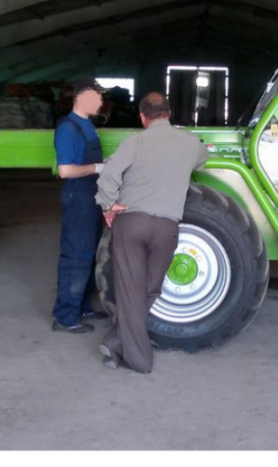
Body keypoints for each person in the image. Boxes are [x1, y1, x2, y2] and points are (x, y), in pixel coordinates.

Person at [95, 92, 208, 373]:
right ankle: (118, 345)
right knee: (150, 289)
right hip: (166, 227)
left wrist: (108, 206)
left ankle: (135, 357)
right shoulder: (190, 143)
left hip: (132, 223)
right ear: (169, 114)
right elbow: (201, 160)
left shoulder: (134, 142)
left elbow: (108, 175)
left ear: (143, 117)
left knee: (130, 290)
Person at [52, 77, 109, 334]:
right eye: (97, 96)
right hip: (79, 199)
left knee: (90, 254)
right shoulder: (68, 128)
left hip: (92, 197)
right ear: (82, 96)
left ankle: (83, 307)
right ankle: (65, 317)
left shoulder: (88, 126)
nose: (101, 101)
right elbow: (65, 170)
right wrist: (97, 167)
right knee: (76, 257)